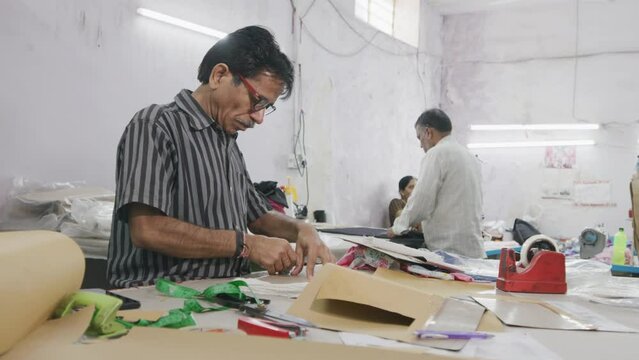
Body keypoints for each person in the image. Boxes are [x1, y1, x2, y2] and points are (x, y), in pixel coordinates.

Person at [107, 26, 335, 288]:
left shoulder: (227, 143)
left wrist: (302, 229)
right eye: (257, 101)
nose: (259, 117)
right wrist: (246, 244)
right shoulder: (156, 126)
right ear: (219, 75)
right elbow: (147, 230)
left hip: (218, 294)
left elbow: (259, 216)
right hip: (158, 295)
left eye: (266, 108)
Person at [388, 109, 485, 258]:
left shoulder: (436, 154)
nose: (421, 145)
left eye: (419, 138)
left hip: (450, 251)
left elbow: (421, 200)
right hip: (474, 249)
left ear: (428, 132)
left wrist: (397, 227)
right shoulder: (470, 157)